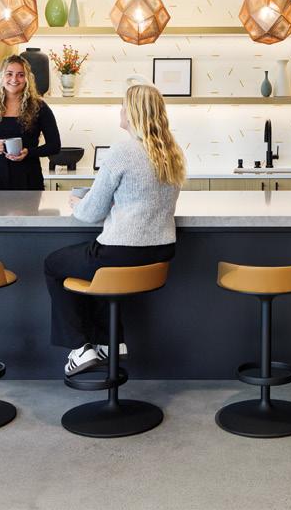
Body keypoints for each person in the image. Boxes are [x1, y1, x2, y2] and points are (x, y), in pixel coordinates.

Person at [44, 83, 185, 376]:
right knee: (97, 271)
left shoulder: (122, 151)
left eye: (123, 106)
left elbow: (91, 212)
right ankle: (109, 343)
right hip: (161, 252)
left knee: (54, 264)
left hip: (121, 253)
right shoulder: (171, 152)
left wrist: (76, 203)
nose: (120, 110)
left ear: (132, 113)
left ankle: (80, 349)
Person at [0, 54, 61, 191]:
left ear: (27, 79)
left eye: (20, 75)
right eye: (9, 74)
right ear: (1, 77)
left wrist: (29, 152)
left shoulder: (40, 108)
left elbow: (54, 146)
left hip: (29, 181)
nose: (14, 79)